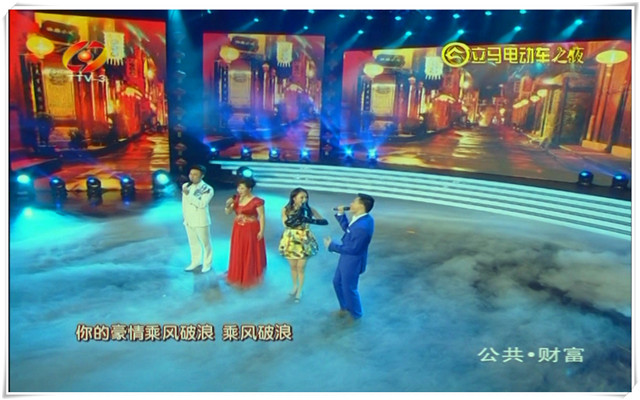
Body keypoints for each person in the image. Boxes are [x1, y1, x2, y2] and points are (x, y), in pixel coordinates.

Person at [324, 193, 375, 321]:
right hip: (347, 257)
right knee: (337, 282)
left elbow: (353, 249)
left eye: (354, 202)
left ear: (361, 206)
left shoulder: (362, 227)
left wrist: (332, 246)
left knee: (349, 288)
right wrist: (341, 215)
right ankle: (345, 307)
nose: (351, 204)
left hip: (352, 260)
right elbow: (349, 231)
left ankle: (356, 314)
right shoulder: (362, 219)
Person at [279, 188, 328, 303]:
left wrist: (309, 220)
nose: (304, 200)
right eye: (301, 197)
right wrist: (298, 217)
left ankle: (300, 290)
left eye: (306, 197)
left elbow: (324, 221)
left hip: (304, 240)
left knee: (301, 267)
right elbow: (286, 224)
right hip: (290, 239)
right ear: (294, 198)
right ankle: (294, 286)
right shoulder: (286, 209)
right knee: (293, 266)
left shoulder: (310, 210)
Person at [224, 177, 267, 287]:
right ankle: (237, 273)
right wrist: (228, 205)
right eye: (239, 188)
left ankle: (249, 274)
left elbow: (262, 216)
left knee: (249, 249)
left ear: (249, 189)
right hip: (238, 228)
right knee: (238, 249)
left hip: (250, 229)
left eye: (242, 188)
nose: (239, 190)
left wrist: (261, 231)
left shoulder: (257, 201)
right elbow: (228, 212)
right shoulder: (237, 199)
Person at [182, 165, 215, 273]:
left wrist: (188, 195)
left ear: (202, 176)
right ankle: (195, 261)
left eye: (195, 174)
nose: (192, 176)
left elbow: (202, 204)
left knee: (206, 243)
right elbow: (185, 205)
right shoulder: (186, 186)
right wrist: (185, 218)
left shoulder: (207, 189)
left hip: (201, 221)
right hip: (188, 220)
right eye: (191, 174)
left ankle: (207, 264)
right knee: (193, 243)